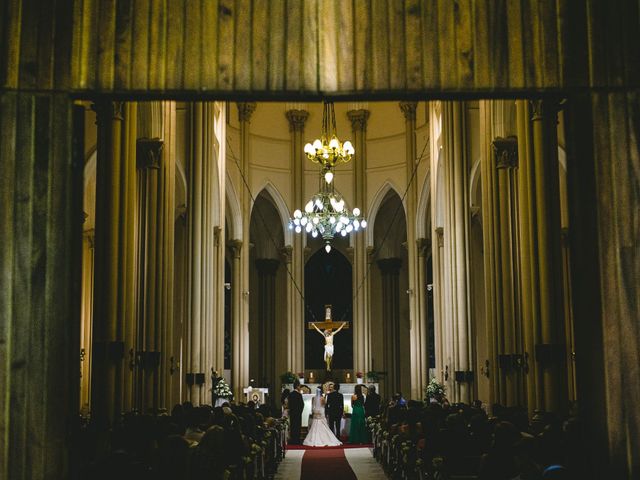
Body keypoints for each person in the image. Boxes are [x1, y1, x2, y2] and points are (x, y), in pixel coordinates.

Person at [288, 380, 304, 445]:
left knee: (292, 426)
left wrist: (291, 411)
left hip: (292, 413)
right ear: (297, 386)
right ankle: (297, 440)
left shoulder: (290, 394)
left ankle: (293, 440)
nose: (300, 387)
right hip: (298, 414)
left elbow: (289, 404)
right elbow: (302, 405)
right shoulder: (299, 395)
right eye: (299, 386)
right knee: (297, 426)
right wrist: (300, 412)